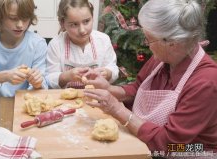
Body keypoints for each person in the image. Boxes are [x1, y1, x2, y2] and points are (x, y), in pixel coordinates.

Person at [83, 0, 217, 155]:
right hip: (153, 144)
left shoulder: (206, 82)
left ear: (172, 43)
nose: (146, 43)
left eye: (149, 39)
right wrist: (109, 88)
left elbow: (168, 145)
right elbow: (138, 88)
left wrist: (117, 110)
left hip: (191, 150)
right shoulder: (162, 58)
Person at [0, 0, 48, 97]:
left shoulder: (38, 44)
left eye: (25, 18)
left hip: (24, 105)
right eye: (13, 18)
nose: (20, 25)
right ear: (0, 16)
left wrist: (38, 84)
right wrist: (4, 76)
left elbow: (43, 86)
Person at [45, 0, 119, 89]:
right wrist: (66, 76)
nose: (82, 30)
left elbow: (113, 68)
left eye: (86, 21)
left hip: (97, 96)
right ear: (62, 23)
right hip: (66, 100)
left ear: (92, 17)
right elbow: (49, 78)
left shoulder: (103, 40)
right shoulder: (56, 45)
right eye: (74, 24)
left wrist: (108, 73)